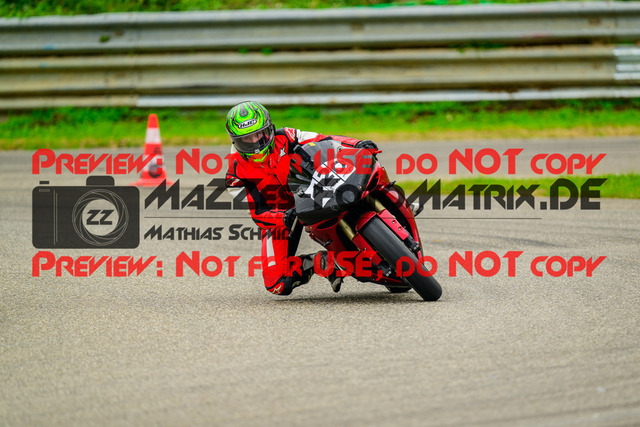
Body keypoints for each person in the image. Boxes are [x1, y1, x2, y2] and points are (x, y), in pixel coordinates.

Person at [224, 101, 377, 296]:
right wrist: (282, 218)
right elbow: (258, 212)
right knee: (276, 283)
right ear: (235, 141)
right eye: (246, 139)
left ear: (269, 129)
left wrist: (355, 143)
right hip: (279, 214)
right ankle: (321, 262)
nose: (255, 143)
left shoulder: (287, 136)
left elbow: (324, 139)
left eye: (258, 135)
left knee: (355, 179)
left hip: (309, 188)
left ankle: (390, 204)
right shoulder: (235, 174)